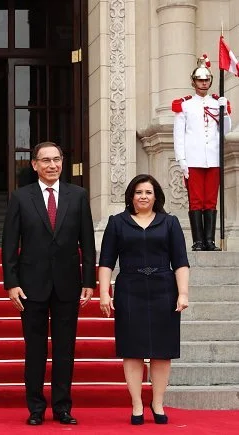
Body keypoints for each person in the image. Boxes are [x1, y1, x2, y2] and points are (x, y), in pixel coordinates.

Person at [2, 141, 96, 426]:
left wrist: (88, 280)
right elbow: (9, 244)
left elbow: (88, 242)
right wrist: (11, 283)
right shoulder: (20, 197)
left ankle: (62, 407)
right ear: (34, 165)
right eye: (45, 160)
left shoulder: (77, 195)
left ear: (62, 162)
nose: (52, 165)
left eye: (56, 160)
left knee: (65, 349)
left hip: (68, 283)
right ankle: (35, 408)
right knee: (35, 349)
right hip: (31, 286)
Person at [98, 174, 190, 425]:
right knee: (133, 350)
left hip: (164, 290)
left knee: (162, 351)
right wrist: (104, 293)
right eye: (138, 192)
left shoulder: (169, 223)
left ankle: (157, 402)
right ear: (130, 196)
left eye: (148, 192)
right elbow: (106, 261)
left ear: (156, 196)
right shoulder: (117, 223)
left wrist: (183, 293)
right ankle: (137, 403)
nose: (143, 197)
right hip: (130, 289)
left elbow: (181, 261)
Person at [173, 54, 232, 251]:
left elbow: (225, 129)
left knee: (210, 201)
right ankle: (198, 241)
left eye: (207, 79)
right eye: (200, 79)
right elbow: (178, 135)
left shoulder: (217, 102)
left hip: (213, 159)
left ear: (210, 81)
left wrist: (224, 111)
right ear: (193, 82)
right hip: (193, 159)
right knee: (196, 201)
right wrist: (182, 160)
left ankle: (210, 241)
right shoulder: (185, 105)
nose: (204, 83)